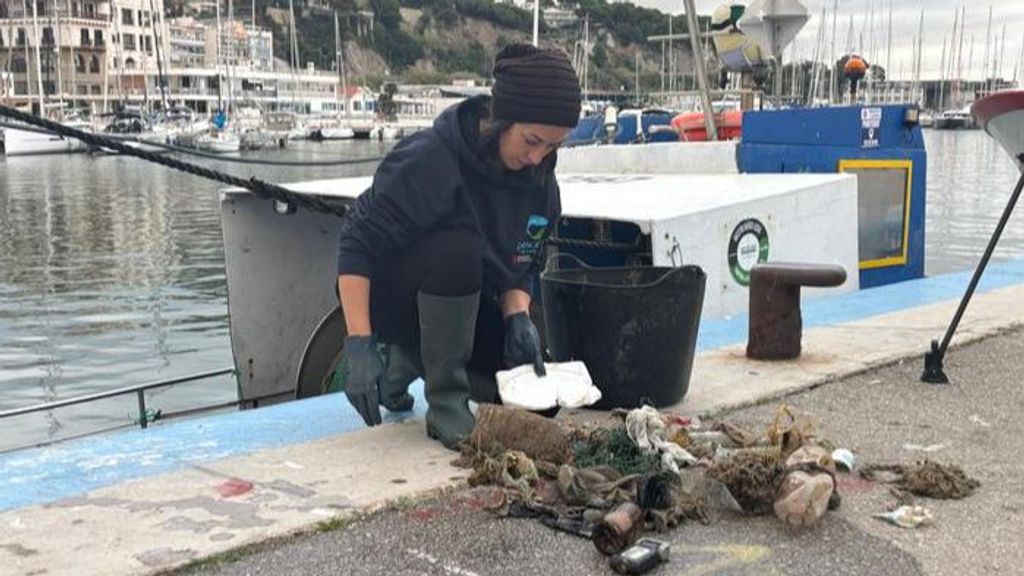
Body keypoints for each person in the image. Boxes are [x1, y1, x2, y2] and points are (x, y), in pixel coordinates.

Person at [334, 43, 582, 449]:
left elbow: (525, 257)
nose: (539, 157)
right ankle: (444, 405)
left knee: (529, 399)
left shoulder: (540, 183)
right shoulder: (431, 157)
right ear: (503, 119)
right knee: (460, 249)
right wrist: (358, 340)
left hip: (458, 307)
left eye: (553, 146)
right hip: (391, 294)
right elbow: (357, 243)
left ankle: (409, 361)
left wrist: (517, 316)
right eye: (531, 140)